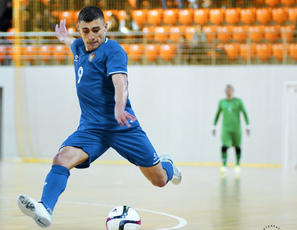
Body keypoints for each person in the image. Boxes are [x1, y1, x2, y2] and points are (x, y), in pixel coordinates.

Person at [16, 6, 182, 228]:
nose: (91, 36)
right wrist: (65, 38)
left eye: (96, 29)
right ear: (79, 31)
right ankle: (45, 208)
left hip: (122, 126)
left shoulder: (113, 51)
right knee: (61, 159)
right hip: (91, 128)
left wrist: (119, 107)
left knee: (159, 180)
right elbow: (72, 45)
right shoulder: (77, 46)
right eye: (85, 31)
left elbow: (120, 82)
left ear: (106, 27)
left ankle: (167, 163)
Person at [213, 85, 250, 174]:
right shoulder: (222, 102)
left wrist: (248, 125)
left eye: (230, 90)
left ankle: (237, 165)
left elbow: (244, 113)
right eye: (227, 90)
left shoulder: (238, 102)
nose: (228, 92)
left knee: (237, 146)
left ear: (233, 91)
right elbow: (217, 114)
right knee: (224, 146)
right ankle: (224, 165)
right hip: (226, 129)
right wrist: (213, 126)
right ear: (225, 91)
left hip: (236, 128)